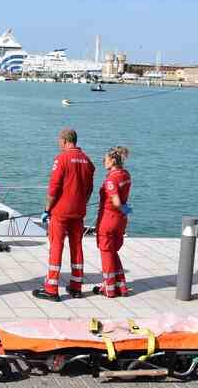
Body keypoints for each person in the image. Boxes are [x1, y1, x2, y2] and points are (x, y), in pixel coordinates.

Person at [34, 128, 95, 302]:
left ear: (65, 140)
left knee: (56, 246)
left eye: (59, 140)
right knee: (77, 246)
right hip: (79, 211)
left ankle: (51, 288)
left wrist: (47, 209)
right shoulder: (87, 161)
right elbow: (89, 189)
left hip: (61, 211)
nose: (58, 143)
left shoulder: (61, 159)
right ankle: (76, 286)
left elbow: (54, 188)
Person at [94, 146, 132, 297]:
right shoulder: (126, 175)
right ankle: (120, 285)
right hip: (121, 219)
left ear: (113, 160)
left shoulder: (112, 178)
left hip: (108, 218)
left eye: (106, 159)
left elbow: (116, 201)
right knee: (113, 251)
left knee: (106, 252)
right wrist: (127, 212)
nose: (103, 161)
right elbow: (122, 201)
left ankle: (108, 288)